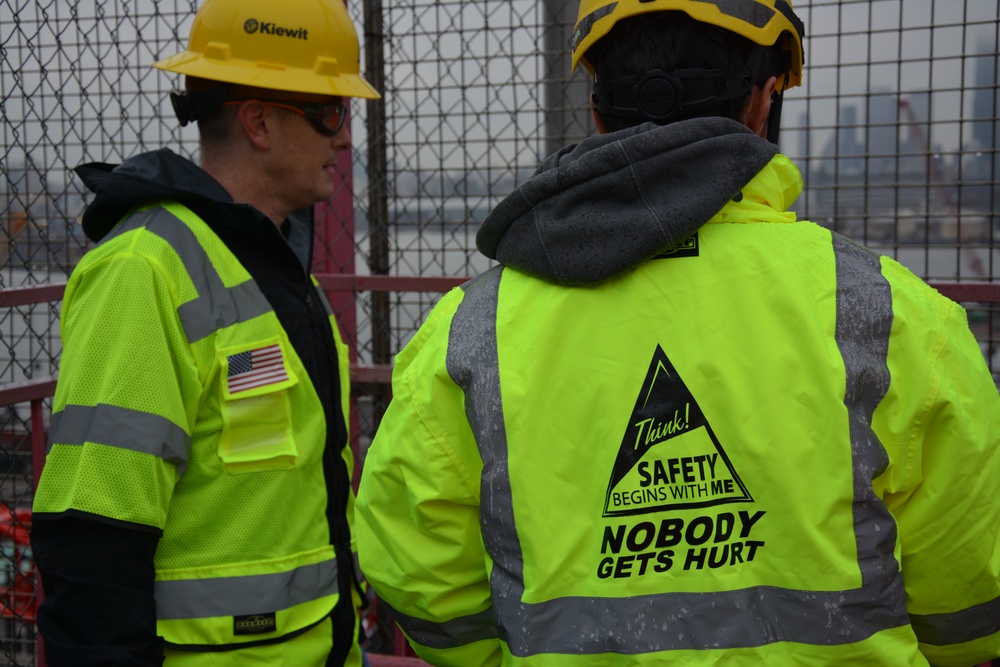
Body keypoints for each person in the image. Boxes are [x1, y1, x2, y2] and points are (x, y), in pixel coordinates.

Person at [353, 0, 1000, 665]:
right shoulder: (892, 316)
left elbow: (416, 569)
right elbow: (970, 596)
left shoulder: (472, 331)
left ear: (598, 107)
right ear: (763, 99)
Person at [30, 0, 379, 665]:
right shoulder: (145, 271)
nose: (343, 139)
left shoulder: (270, 266)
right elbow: (92, 540)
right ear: (258, 121)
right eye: (332, 113)